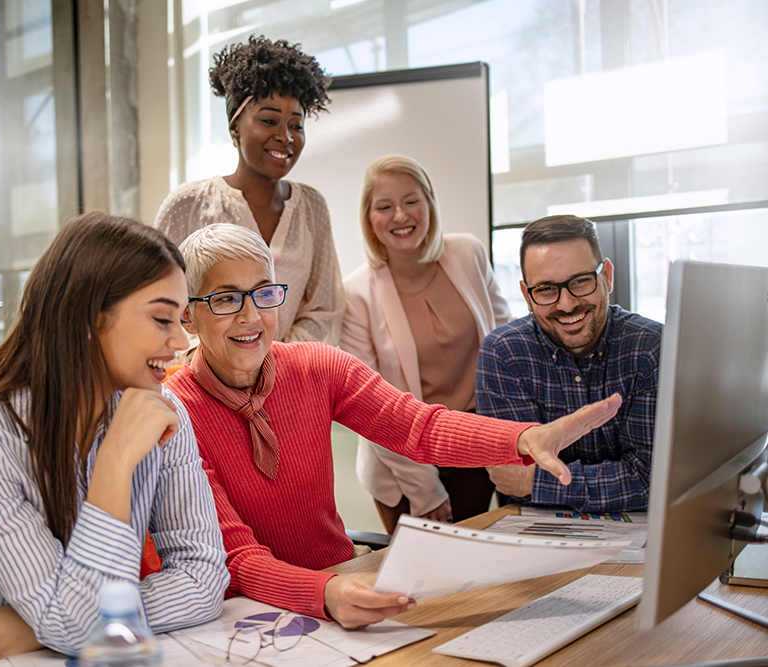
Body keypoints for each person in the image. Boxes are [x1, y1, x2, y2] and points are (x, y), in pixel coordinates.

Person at [165, 223, 622, 629]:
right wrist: (322, 594)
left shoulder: (316, 366)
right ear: (187, 314)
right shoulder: (176, 411)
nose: (250, 316)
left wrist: (522, 438)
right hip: (246, 614)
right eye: (226, 299)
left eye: (264, 292)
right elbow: (238, 559)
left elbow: (419, 428)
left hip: (341, 582)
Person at [0, 214, 229, 667]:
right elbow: (78, 625)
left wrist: (37, 626)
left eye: (182, 319)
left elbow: (204, 579)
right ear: (88, 319)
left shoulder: (163, 413)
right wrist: (116, 460)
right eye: (163, 318)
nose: (182, 341)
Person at [342, 155, 511, 532]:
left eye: (411, 201)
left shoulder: (468, 253)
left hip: (474, 449)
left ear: (430, 202)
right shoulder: (355, 294)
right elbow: (370, 405)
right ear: (369, 219)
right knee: (422, 583)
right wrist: (424, 489)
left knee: (478, 577)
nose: (400, 216)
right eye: (384, 207)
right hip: (402, 465)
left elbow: (507, 345)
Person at [154, 35, 344, 345]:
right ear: (235, 128)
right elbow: (161, 303)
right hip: (203, 383)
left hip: (288, 379)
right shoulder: (189, 204)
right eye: (269, 120)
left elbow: (325, 309)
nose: (285, 136)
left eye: (296, 125)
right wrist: (224, 366)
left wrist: (269, 363)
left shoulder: (311, 206)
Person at [476, 214, 662, 512]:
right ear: (527, 295)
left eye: (580, 281)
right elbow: (510, 478)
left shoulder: (651, 348)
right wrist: (612, 481)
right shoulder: (504, 353)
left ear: (607, 276)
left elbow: (651, 479)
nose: (567, 304)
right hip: (540, 536)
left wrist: (538, 482)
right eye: (546, 289)